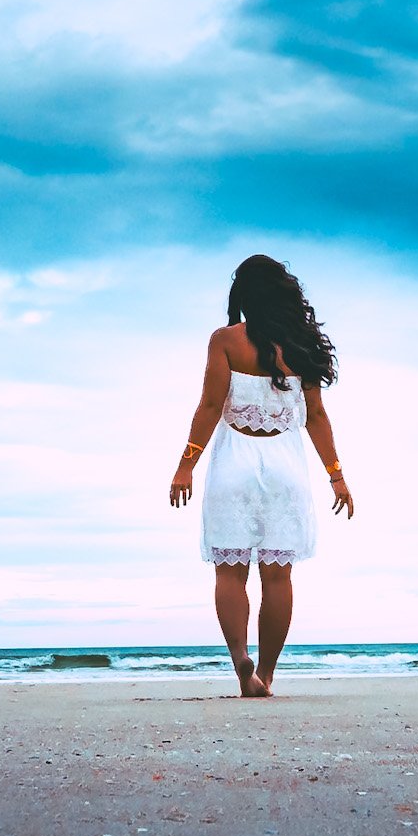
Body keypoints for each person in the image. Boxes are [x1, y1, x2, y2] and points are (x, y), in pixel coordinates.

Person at [168, 255, 353, 697]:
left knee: (229, 572)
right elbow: (316, 417)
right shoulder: (303, 345)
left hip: (233, 467)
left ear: (243, 295)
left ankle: (240, 664)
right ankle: (266, 675)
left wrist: (185, 466)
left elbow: (211, 407)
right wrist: (337, 476)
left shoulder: (226, 341)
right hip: (286, 471)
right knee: (278, 576)